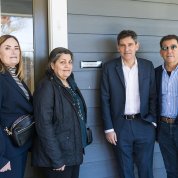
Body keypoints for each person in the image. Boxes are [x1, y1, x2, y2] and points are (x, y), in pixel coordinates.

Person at [100, 30, 157, 178]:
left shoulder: (147, 66)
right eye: (123, 45)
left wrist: (153, 122)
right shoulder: (109, 68)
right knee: (125, 171)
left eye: (130, 44)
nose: (127, 49)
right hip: (120, 127)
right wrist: (108, 128)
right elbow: (104, 99)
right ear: (118, 47)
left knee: (146, 170)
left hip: (144, 124)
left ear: (137, 45)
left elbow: (153, 95)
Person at [32, 47, 88, 178]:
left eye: (70, 62)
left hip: (73, 153)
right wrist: (56, 159)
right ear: (52, 65)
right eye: (62, 62)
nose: (67, 66)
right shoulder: (46, 86)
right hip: (57, 158)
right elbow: (43, 126)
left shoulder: (70, 83)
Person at [0, 35, 33, 178]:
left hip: (20, 146)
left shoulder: (16, 78)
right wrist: (0, 159)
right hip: (7, 152)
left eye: (16, 48)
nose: (13, 52)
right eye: (7, 48)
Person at [155, 34, 178, 178]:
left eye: (173, 47)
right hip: (163, 128)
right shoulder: (155, 73)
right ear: (161, 52)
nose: (169, 51)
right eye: (165, 48)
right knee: (171, 170)